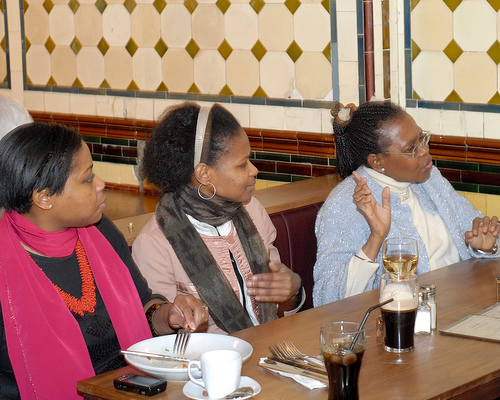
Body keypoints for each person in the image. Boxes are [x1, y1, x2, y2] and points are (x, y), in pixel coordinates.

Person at [0, 123, 209, 400]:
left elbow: (145, 306)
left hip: (129, 389)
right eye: (87, 178)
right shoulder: (6, 266)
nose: (100, 184)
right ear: (44, 197)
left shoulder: (100, 232)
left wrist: (169, 315)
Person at [132, 102, 304, 335]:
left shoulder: (253, 211)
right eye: (242, 165)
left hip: (271, 345)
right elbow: (162, 338)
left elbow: (280, 313)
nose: (254, 170)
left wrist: (292, 292)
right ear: (204, 174)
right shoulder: (154, 243)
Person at [313, 101, 500, 306]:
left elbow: (477, 229)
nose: (424, 151)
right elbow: (327, 299)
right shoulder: (347, 204)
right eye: (411, 148)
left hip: (463, 300)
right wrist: (376, 238)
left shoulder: (430, 179)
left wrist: (487, 247)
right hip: (407, 317)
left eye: (422, 139)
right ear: (377, 162)